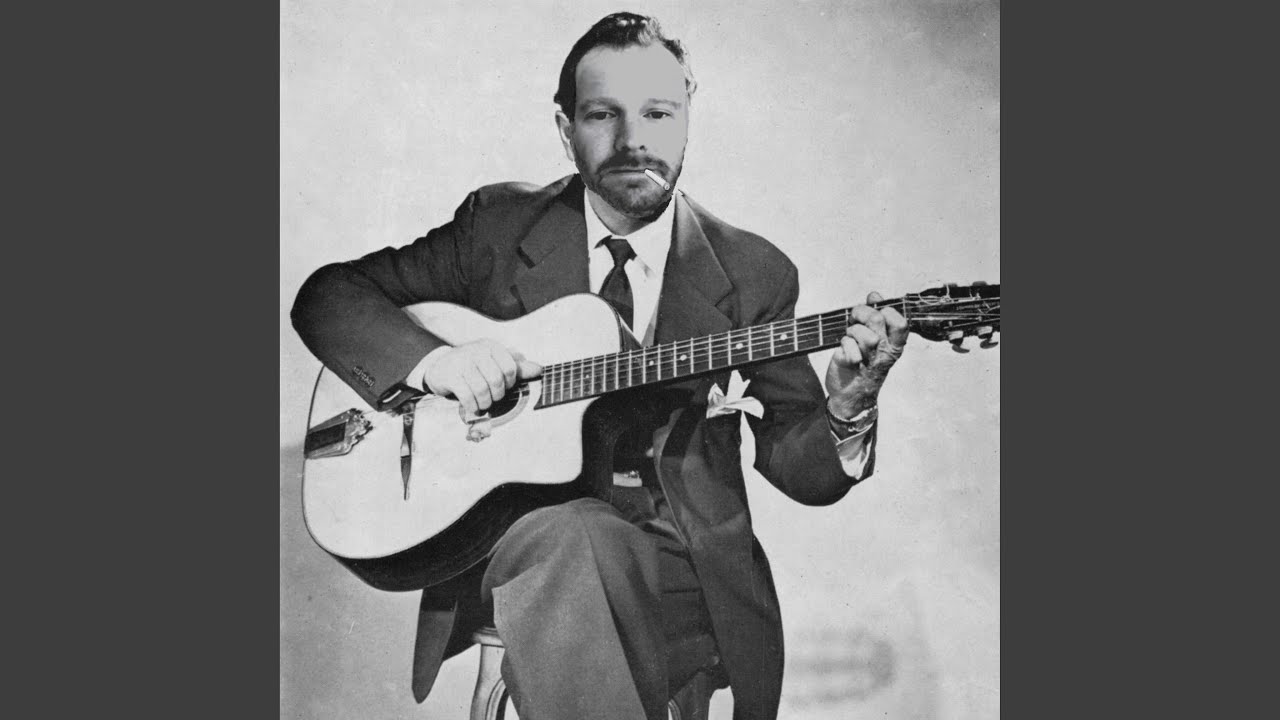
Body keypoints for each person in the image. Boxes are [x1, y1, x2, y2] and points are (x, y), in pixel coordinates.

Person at [292, 12, 908, 720]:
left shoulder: (753, 272)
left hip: (680, 559)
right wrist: (436, 363)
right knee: (577, 536)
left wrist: (848, 407)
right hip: (521, 542)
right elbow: (329, 298)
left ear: (687, 120)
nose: (632, 138)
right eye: (602, 114)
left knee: (594, 554)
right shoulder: (499, 227)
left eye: (658, 113)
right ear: (566, 129)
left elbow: (802, 470)